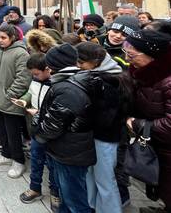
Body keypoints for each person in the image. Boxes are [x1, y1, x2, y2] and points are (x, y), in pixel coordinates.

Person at [125, 30, 171, 213]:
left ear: (152, 55)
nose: (127, 59)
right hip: (164, 153)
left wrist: (138, 125)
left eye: (131, 54)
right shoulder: (147, 72)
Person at [32, 44, 96, 213]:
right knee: (67, 196)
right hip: (69, 148)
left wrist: (38, 132)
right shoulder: (70, 82)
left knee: (74, 199)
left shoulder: (68, 88)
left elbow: (53, 125)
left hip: (70, 152)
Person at [75, 42, 126, 213]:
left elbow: (107, 117)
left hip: (105, 137)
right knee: (91, 175)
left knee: (105, 179)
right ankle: (93, 207)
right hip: (93, 135)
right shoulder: (95, 76)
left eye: (81, 63)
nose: (78, 66)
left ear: (95, 62)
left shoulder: (111, 80)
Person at [0, 24, 31, 178]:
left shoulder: (21, 53)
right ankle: (6, 154)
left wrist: (9, 94)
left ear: (12, 37)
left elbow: (23, 78)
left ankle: (18, 161)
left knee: (13, 133)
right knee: (1, 130)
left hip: (11, 101)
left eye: (3, 38)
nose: (0, 40)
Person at [17, 53, 60, 209]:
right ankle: (35, 188)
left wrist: (40, 112)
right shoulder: (35, 80)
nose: (34, 76)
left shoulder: (56, 84)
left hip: (51, 130)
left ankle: (55, 193)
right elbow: (31, 92)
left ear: (48, 69)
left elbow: (58, 109)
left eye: (36, 73)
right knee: (36, 159)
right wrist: (24, 99)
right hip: (36, 129)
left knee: (52, 164)